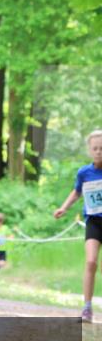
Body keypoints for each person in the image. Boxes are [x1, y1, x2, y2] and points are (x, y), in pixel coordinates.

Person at [53, 129, 102, 323]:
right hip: (94, 222)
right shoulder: (84, 172)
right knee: (91, 262)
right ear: (90, 151)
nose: (99, 151)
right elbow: (76, 192)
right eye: (95, 148)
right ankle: (87, 307)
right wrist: (63, 208)